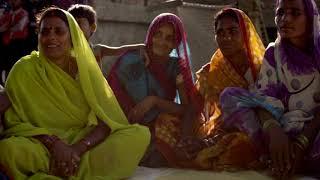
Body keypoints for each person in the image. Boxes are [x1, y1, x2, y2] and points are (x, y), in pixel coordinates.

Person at [0, 7, 150, 179]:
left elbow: (106, 121)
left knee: (138, 136)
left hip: (80, 143)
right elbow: (13, 121)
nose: (51, 37)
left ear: (72, 36)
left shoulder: (85, 70)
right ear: (39, 36)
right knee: (8, 150)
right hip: (40, 144)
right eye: (45, 32)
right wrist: (54, 144)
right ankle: (73, 170)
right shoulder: (24, 69)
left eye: (59, 31)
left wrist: (75, 149)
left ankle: (62, 168)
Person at [220, 0, 320, 178]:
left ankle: (288, 159)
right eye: (280, 13)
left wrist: (301, 143)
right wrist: (274, 130)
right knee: (230, 96)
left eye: (295, 13)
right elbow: (262, 97)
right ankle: (279, 156)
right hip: (281, 130)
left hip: (314, 130)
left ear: (310, 18)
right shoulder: (274, 53)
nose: (285, 19)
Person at [176, 8, 266, 171]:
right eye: (220, 33)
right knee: (166, 124)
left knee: (238, 144)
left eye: (233, 31)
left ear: (245, 33)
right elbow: (193, 108)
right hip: (218, 131)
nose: (226, 37)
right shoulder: (211, 71)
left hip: (257, 131)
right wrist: (186, 138)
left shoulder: (263, 67)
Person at [107, 13, 199, 168]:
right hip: (127, 122)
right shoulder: (133, 59)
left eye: (169, 38)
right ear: (150, 35)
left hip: (158, 126)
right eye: (158, 34)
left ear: (176, 43)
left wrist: (153, 101)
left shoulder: (177, 67)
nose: (162, 42)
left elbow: (187, 109)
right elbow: (111, 94)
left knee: (168, 128)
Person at [68, 4, 146, 68]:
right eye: (71, 24)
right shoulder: (66, 51)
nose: (75, 27)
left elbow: (119, 50)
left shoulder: (97, 50)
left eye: (78, 22)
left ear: (92, 27)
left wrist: (140, 46)